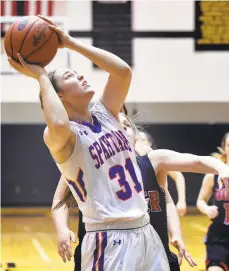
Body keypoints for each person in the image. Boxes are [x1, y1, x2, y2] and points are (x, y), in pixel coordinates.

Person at [9, 15, 169, 271]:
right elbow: (58, 123)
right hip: (109, 238)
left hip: (145, 230)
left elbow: (122, 71)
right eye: (71, 76)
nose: (81, 75)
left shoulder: (106, 113)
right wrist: (41, 75)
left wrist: (71, 43)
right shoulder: (63, 136)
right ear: (59, 95)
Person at [52, 114, 229, 271]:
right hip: (107, 251)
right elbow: (60, 200)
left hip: (155, 251)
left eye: (127, 126)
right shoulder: (87, 163)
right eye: (115, 126)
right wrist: (62, 229)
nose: (123, 130)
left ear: (136, 136)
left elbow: (194, 162)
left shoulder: (153, 160)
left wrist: (220, 167)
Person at [197, 132, 229, 271]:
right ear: (224, 148)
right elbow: (200, 201)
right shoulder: (213, 175)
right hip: (218, 238)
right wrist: (206, 209)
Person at [136, 130, 187, 216]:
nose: (140, 143)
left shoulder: (158, 160)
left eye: (143, 140)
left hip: (158, 204)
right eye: (138, 140)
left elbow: (178, 176)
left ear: (150, 143)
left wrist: (182, 200)